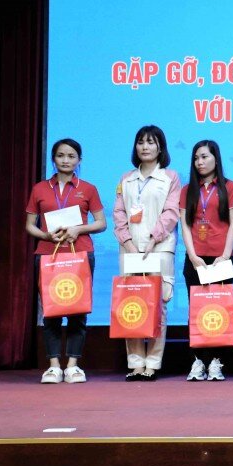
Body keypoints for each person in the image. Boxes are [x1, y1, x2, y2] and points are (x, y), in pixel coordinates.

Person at [25, 138, 106, 384]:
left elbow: (101, 223)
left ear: (79, 160)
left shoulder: (88, 189)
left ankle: (72, 365)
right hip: (47, 254)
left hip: (80, 253)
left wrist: (78, 229)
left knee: (77, 309)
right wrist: (46, 235)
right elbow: (29, 225)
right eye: (61, 155)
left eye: (71, 156)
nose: (66, 160)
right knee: (51, 311)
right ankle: (52, 366)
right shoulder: (39, 188)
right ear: (54, 158)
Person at [113, 125, 181, 381]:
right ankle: (136, 363)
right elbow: (119, 212)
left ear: (160, 147)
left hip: (160, 248)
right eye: (141, 142)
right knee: (131, 302)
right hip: (130, 249)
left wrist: (154, 238)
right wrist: (128, 242)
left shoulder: (170, 177)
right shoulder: (126, 179)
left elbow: (171, 212)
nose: (145, 147)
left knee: (157, 305)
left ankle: (153, 361)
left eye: (151, 142)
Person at [179, 140, 233, 382]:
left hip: (221, 259)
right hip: (196, 260)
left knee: (220, 311)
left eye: (204, 157)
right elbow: (185, 224)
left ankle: (216, 361)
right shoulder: (187, 190)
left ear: (216, 158)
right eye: (196, 158)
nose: (200, 162)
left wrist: (225, 255)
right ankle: (197, 361)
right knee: (197, 311)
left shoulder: (229, 187)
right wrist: (192, 256)